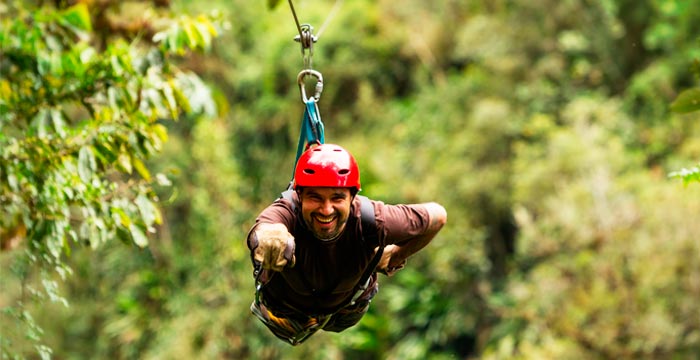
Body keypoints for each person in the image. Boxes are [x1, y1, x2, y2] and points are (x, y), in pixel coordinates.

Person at [247, 143, 447, 345]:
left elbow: (437, 217)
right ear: (299, 196)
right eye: (315, 197)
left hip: (346, 310)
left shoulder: (374, 221)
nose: (326, 210)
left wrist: (395, 255)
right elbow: (264, 228)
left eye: (337, 198)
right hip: (285, 312)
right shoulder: (286, 212)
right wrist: (272, 238)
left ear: (352, 197)